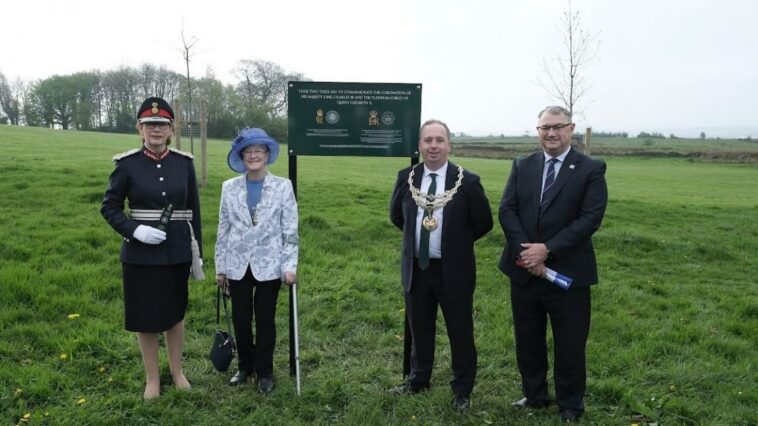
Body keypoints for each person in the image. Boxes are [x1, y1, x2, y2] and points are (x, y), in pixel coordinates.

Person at [498, 106, 607, 422]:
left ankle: (570, 404)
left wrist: (547, 250)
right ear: (538, 130)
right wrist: (529, 254)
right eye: (545, 127)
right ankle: (534, 396)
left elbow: (590, 219)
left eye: (558, 127)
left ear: (571, 128)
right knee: (528, 339)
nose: (551, 133)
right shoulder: (522, 165)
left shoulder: (591, 169)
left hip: (568, 275)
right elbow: (507, 210)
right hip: (524, 272)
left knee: (570, 343)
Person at [101, 96, 202, 399]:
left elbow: (194, 211)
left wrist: (198, 255)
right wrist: (135, 230)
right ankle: (152, 379)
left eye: (162, 124)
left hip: (177, 250)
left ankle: (177, 370)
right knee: (145, 314)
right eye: (150, 124)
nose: (156, 129)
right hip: (140, 252)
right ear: (140, 129)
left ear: (171, 129)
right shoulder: (127, 165)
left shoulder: (184, 164)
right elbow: (110, 208)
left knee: (175, 311)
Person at [389, 119, 493, 410]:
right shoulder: (406, 177)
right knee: (419, 329)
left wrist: (455, 244)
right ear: (420, 145)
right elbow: (398, 216)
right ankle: (418, 380)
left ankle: (462, 390)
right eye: (427, 140)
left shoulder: (467, 181)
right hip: (417, 270)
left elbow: (483, 223)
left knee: (460, 331)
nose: (433, 146)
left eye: (439, 140)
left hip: (454, 272)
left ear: (449, 144)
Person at [214, 128, 298, 394]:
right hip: (237, 263)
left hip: (270, 265)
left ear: (267, 154)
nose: (253, 156)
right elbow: (223, 228)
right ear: (241, 157)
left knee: (265, 320)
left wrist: (289, 266)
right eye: (248, 152)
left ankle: (265, 372)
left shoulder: (283, 186)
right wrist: (221, 267)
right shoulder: (229, 187)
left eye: (258, 151)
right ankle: (245, 367)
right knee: (240, 318)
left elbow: (290, 230)